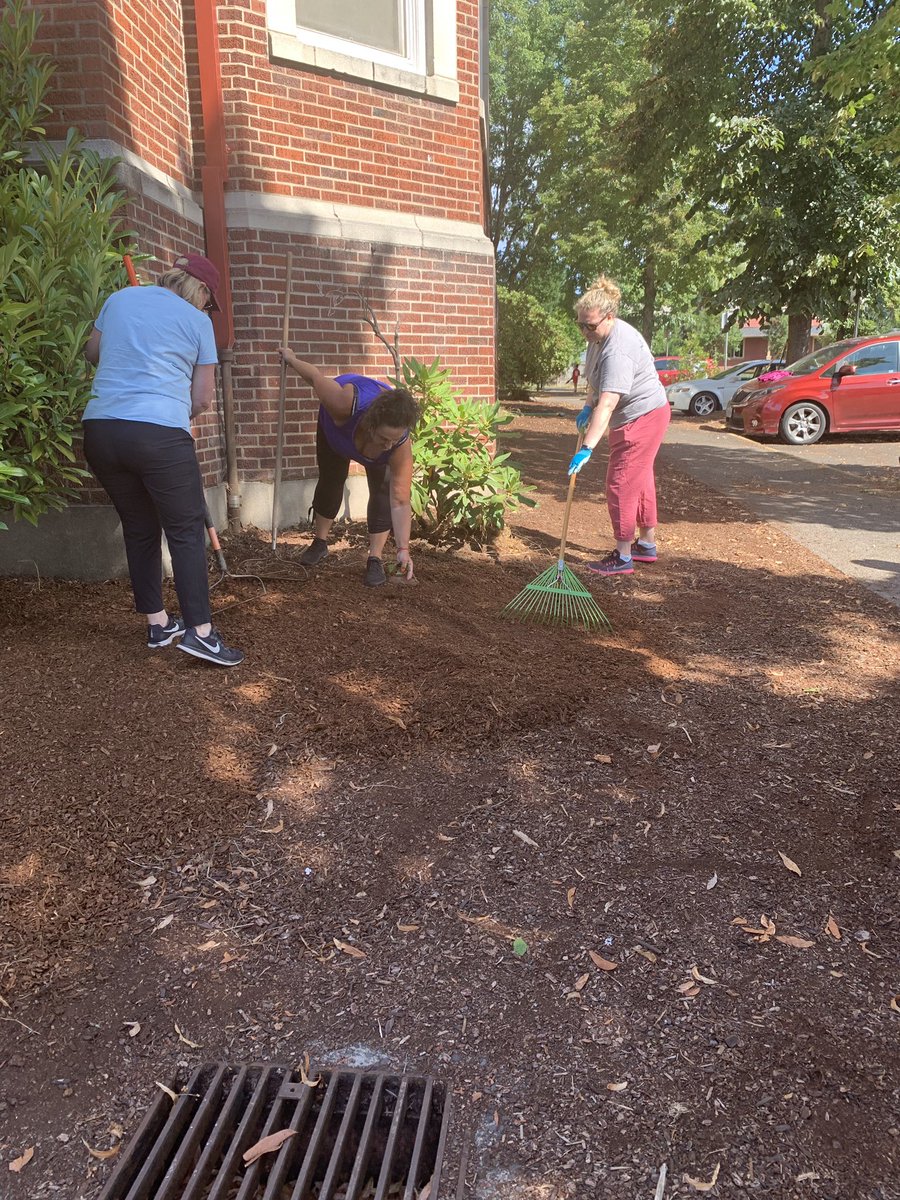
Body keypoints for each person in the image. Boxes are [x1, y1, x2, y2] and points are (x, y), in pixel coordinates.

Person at [81, 254, 244, 666]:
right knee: (186, 530)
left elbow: (92, 352)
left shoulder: (120, 300)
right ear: (201, 291)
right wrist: (173, 415)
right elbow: (203, 397)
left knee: (139, 526)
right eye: (209, 301)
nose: (208, 309)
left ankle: (158, 623)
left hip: (101, 430)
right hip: (158, 434)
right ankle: (201, 634)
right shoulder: (198, 323)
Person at [278, 350, 420, 586]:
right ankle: (320, 542)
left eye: (394, 440)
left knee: (383, 492)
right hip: (337, 431)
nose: (388, 445)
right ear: (373, 425)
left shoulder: (397, 446)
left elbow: (400, 501)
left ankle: (374, 558)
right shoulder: (343, 403)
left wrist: (403, 549)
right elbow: (314, 377)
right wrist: (291, 359)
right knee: (331, 479)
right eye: (385, 438)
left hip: (366, 437)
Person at [567, 275, 670, 576]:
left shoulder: (617, 349)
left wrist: (587, 448)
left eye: (590, 324)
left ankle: (623, 554)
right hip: (646, 412)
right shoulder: (597, 339)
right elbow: (594, 381)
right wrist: (587, 406)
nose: (585, 330)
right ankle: (646, 544)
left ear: (609, 316)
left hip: (643, 416)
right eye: (580, 324)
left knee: (622, 481)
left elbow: (609, 403)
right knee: (640, 477)